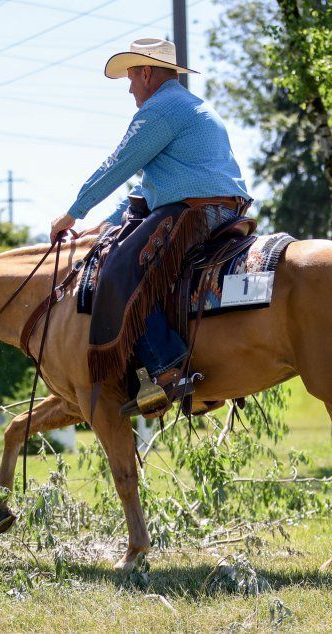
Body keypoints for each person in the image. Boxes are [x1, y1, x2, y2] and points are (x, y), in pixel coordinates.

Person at [50, 38, 251, 409]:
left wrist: (73, 212)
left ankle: (168, 370)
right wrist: (105, 224)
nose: (130, 89)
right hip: (222, 210)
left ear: (146, 73)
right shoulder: (187, 105)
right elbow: (148, 188)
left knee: (118, 267)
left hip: (195, 212)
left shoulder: (160, 109)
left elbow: (118, 163)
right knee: (127, 257)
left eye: (130, 79)